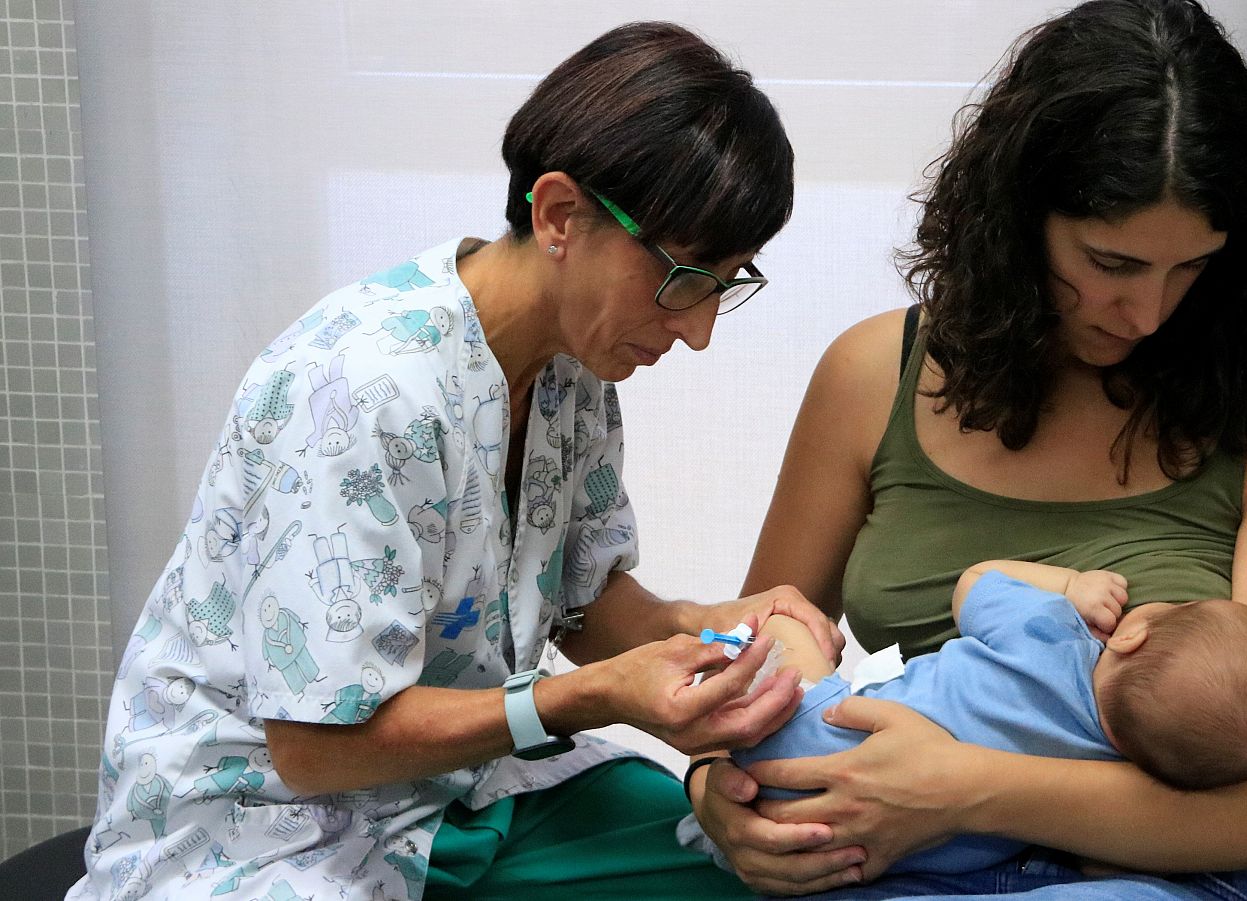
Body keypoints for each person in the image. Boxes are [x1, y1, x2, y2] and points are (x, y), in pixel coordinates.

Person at [73, 22, 846, 901]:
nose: (698, 329)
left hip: (461, 786)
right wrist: (589, 698)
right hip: (268, 823)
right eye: (683, 277)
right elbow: (315, 744)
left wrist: (709, 624)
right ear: (560, 216)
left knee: (756, 871)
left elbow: (580, 601)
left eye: (726, 284)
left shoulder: (573, 367)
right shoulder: (359, 389)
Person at [686, 0, 1247, 898]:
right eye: (1113, 264)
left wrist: (963, 792)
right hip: (883, 860)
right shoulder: (872, 376)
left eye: (1192, 266)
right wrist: (714, 792)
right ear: (1018, 220)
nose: (1151, 312)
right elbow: (750, 661)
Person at [704, 559, 1247, 882]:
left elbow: (973, 583)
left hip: (803, 738)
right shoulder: (1113, 776)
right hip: (875, 856)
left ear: (1135, 632)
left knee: (780, 622)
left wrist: (1070, 586)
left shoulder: (1051, 634)